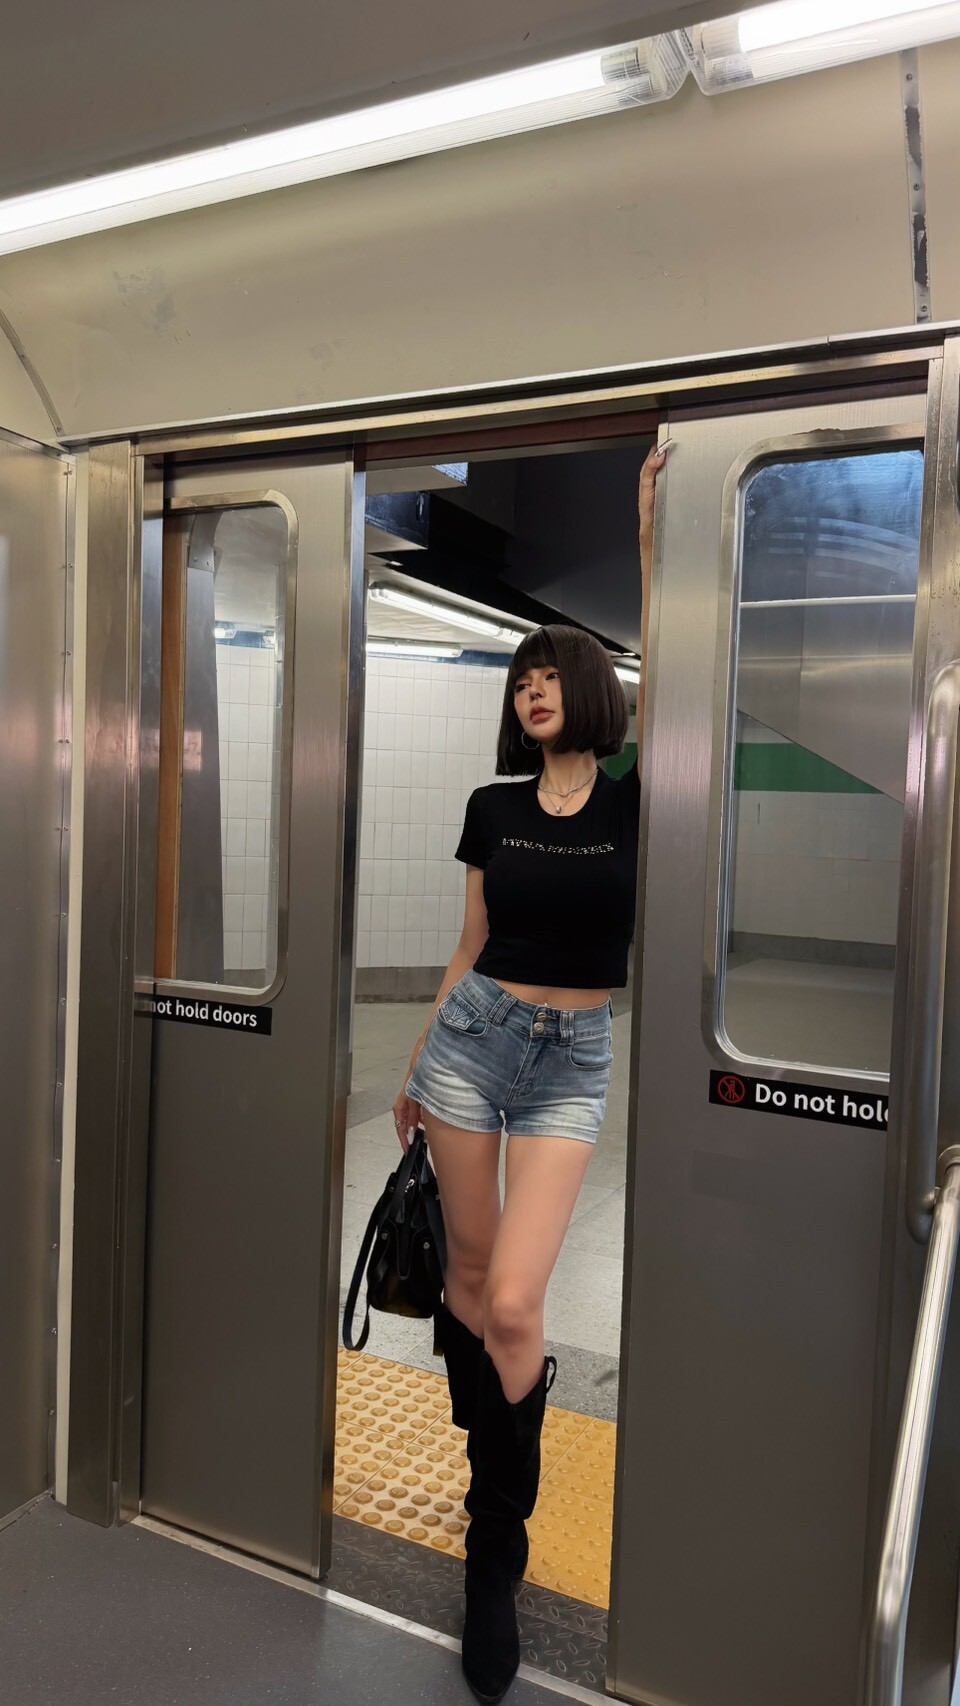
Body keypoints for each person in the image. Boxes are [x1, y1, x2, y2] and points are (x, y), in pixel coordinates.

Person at [392, 441, 670, 1704]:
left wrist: (651, 544)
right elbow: (467, 944)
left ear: (592, 688)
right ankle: (484, 1492)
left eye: (552, 670)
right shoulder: (491, 805)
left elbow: (682, 675)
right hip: (472, 1041)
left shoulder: (631, 799)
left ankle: (492, 1549)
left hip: (572, 1061)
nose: (533, 686)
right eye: (522, 675)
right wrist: (417, 1056)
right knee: (464, 1278)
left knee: (511, 1304)